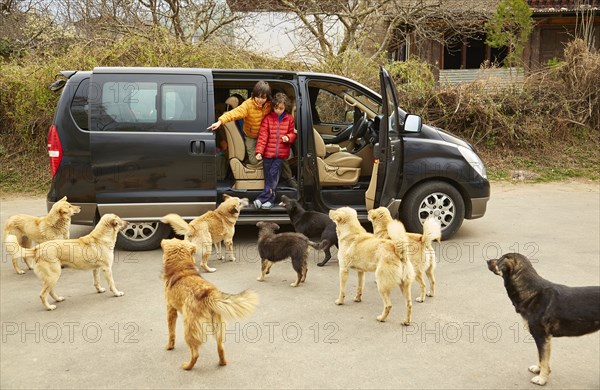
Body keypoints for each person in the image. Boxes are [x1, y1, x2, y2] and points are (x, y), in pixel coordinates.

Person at [208, 82, 297, 187]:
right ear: (253, 95)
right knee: (254, 161)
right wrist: (220, 121)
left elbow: (281, 108)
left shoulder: (270, 105)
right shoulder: (248, 105)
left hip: (266, 135)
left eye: (263, 97)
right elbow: (234, 113)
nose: (260, 100)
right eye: (257, 97)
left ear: (267, 97)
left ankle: (287, 178)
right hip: (251, 136)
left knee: (280, 155)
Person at [253, 93, 297, 209]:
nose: (278, 110)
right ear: (273, 106)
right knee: (269, 177)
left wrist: (288, 137)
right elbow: (263, 137)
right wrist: (259, 152)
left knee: (273, 176)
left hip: (280, 155)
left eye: (281, 108)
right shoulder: (268, 119)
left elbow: (293, 134)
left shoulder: (289, 119)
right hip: (267, 154)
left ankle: (262, 199)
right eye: (276, 108)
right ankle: (269, 200)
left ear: (285, 107)